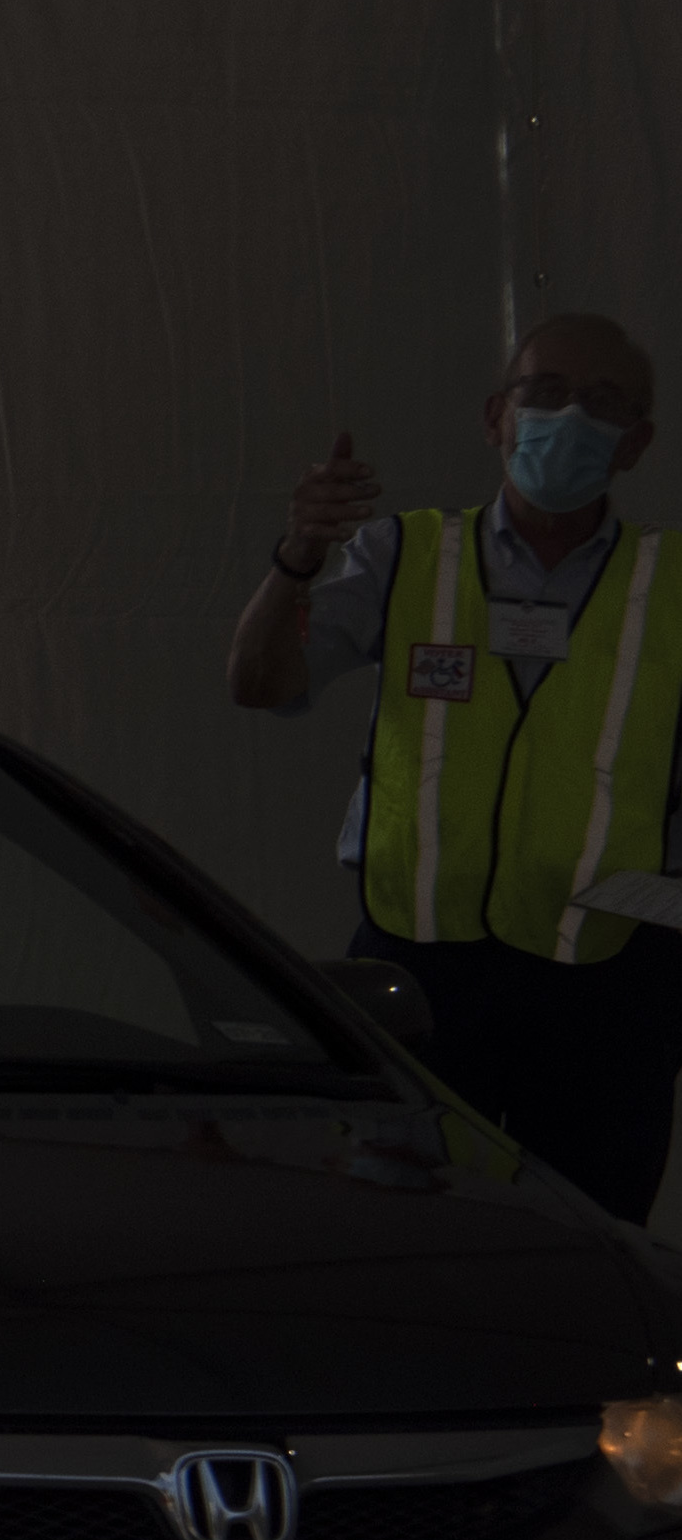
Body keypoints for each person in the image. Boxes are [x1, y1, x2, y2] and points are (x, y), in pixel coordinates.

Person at [232, 310, 682, 1215]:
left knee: (588, 1261)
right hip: (419, 983)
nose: (568, 417)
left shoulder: (669, 585)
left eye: (601, 403)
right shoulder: (405, 556)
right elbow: (258, 682)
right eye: (544, 392)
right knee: (407, 1250)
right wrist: (298, 559)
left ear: (635, 443)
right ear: (495, 416)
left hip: (605, 985)